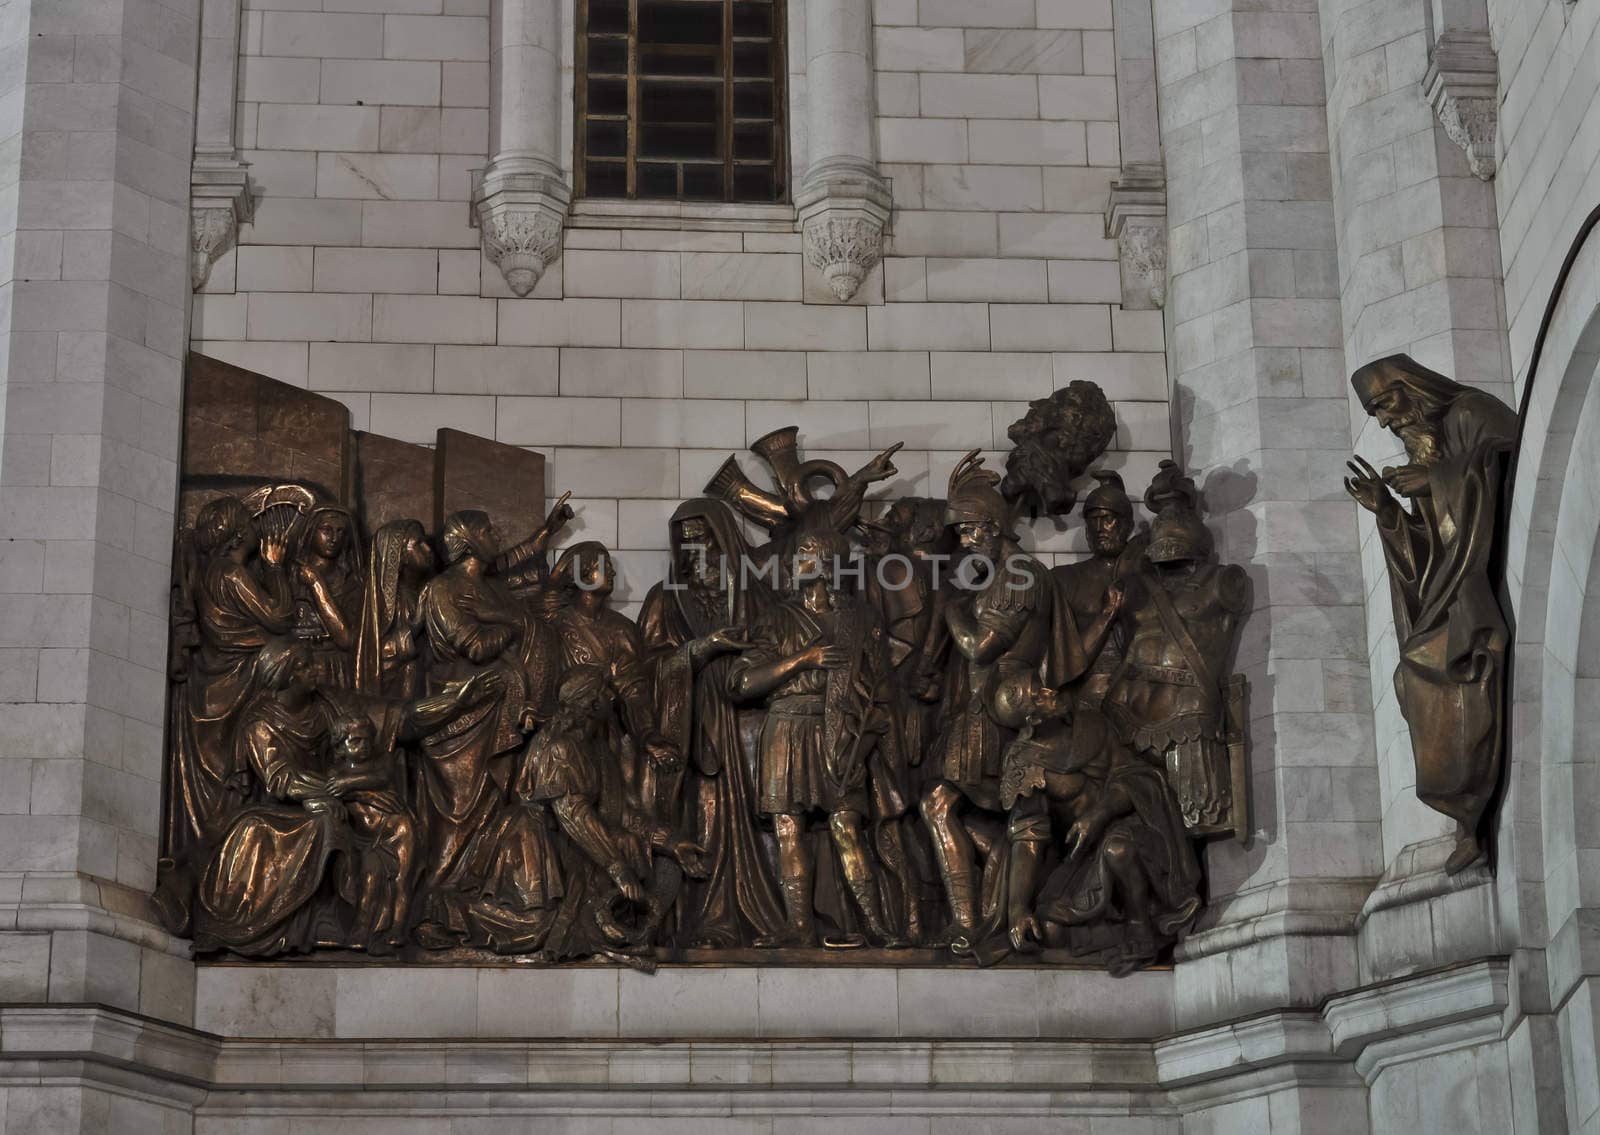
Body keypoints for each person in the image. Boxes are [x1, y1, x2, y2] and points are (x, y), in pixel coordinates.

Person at [1346, 354, 1518, 873]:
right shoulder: (1425, 443)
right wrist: (1390, 512)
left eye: (1383, 405)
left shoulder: (1469, 413)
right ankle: (1465, 810)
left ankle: (1469, 807)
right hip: (1453, 586)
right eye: (1374, 412)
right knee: (1407, 678)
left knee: (1431, 667)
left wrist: (1437, 480)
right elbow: (1432, 555)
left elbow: (1506, 457)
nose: (1382, 421)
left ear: (1411, 388)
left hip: (1476, 587)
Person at [732, 530, 906, 948]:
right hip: (787, 729)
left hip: (841, 732)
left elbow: (880, 684)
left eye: (806, 552)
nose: (796, 560)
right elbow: (742, 683)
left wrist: (866, 739)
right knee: (788, 828)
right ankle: (798, 926)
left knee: (847, 825)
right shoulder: (776, 619)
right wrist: (802, 660)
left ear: (829, 560)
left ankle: (874, 925)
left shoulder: (860, 618)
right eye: (796, 554)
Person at [637, 499, 786, 949]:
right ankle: (710, 917)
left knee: (766, 820)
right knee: (707, 816)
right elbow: (646, 667)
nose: (698, 554)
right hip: (697, 723)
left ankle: (773, 917)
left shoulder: (758, 596)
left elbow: (782, 643)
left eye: (707, 543)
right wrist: (700, 649)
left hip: (754, 725)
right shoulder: (666, 599)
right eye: (689, 545)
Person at [921, 452, 1053, 954]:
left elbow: (980, 646)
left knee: (945, 807)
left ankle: (972, 921)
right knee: (949, 808)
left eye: (970, 531)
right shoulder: (1001, 575)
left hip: (1003, 711)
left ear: (993, 527)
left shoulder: (1019, 576)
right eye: (960, 533)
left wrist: (951, 610)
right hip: (982, 706)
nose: (964, 541)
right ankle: (976, 911)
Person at [412, 510, 563, 945]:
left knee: (493, 811)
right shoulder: (444, 589)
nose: (495, 534)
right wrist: (514, 628)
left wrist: (545, 535)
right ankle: (433, 909)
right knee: (458, 816)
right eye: (487, 530)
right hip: (458, 719)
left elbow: (515, 569)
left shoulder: (488, 585)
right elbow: (473, 646)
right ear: (467, 540)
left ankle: (473, 905)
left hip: (498, 715)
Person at [991, 672, 1201, 975]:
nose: (1050, 691)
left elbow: (1132, 774)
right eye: (1038, 696)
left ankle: (1140, 927)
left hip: (1133, 821)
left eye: (1042, 686)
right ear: (1031, 720)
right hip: (1084, 852)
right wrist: (1017, 909)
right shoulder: (1023, 762)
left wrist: (1100, 813)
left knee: (1118, 848)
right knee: (1051, 930)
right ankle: (1130, 928)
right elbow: (1028, 836)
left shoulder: (1091, 723)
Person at [157, 494, 297, 932]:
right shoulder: (232, 573)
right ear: (239, 532)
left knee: (225, 791)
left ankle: (205, 878)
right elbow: (279, 616)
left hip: (213, 688)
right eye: (251, 523)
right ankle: (198, 880)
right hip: (239, 685)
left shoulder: (208, 573)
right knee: (231, 790)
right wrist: (275, 565)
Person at [1102, 463, 1249, 837]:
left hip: (1187, 707)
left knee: (1196, 816)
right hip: (1126, 706)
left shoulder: (1220, 582)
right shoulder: (1135, 585)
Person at [543, 541, 680, 812]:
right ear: (582, 576)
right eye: (604, 567)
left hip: (608, 733)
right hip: (564, 735)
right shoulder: (554, 625)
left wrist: (647, 734)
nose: (614, 574)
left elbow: (633, 689)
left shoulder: (623, 630)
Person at [353, 518, 434, 701]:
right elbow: (376, 653)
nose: (428, 549)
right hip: (398, 691)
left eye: (426, 542)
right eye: (418, 545)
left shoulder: (427, 589)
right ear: (399, 555)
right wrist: (416, 624)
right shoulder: (386, 601)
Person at [290, 505, 363, 689]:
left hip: (334, 667)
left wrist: (316, 584)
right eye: (326, 530)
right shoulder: (289, 577)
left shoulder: (352, 582)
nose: (334, 539)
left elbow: (346, 639)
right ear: (310, 532)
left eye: (341, 532)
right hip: (295, 669)